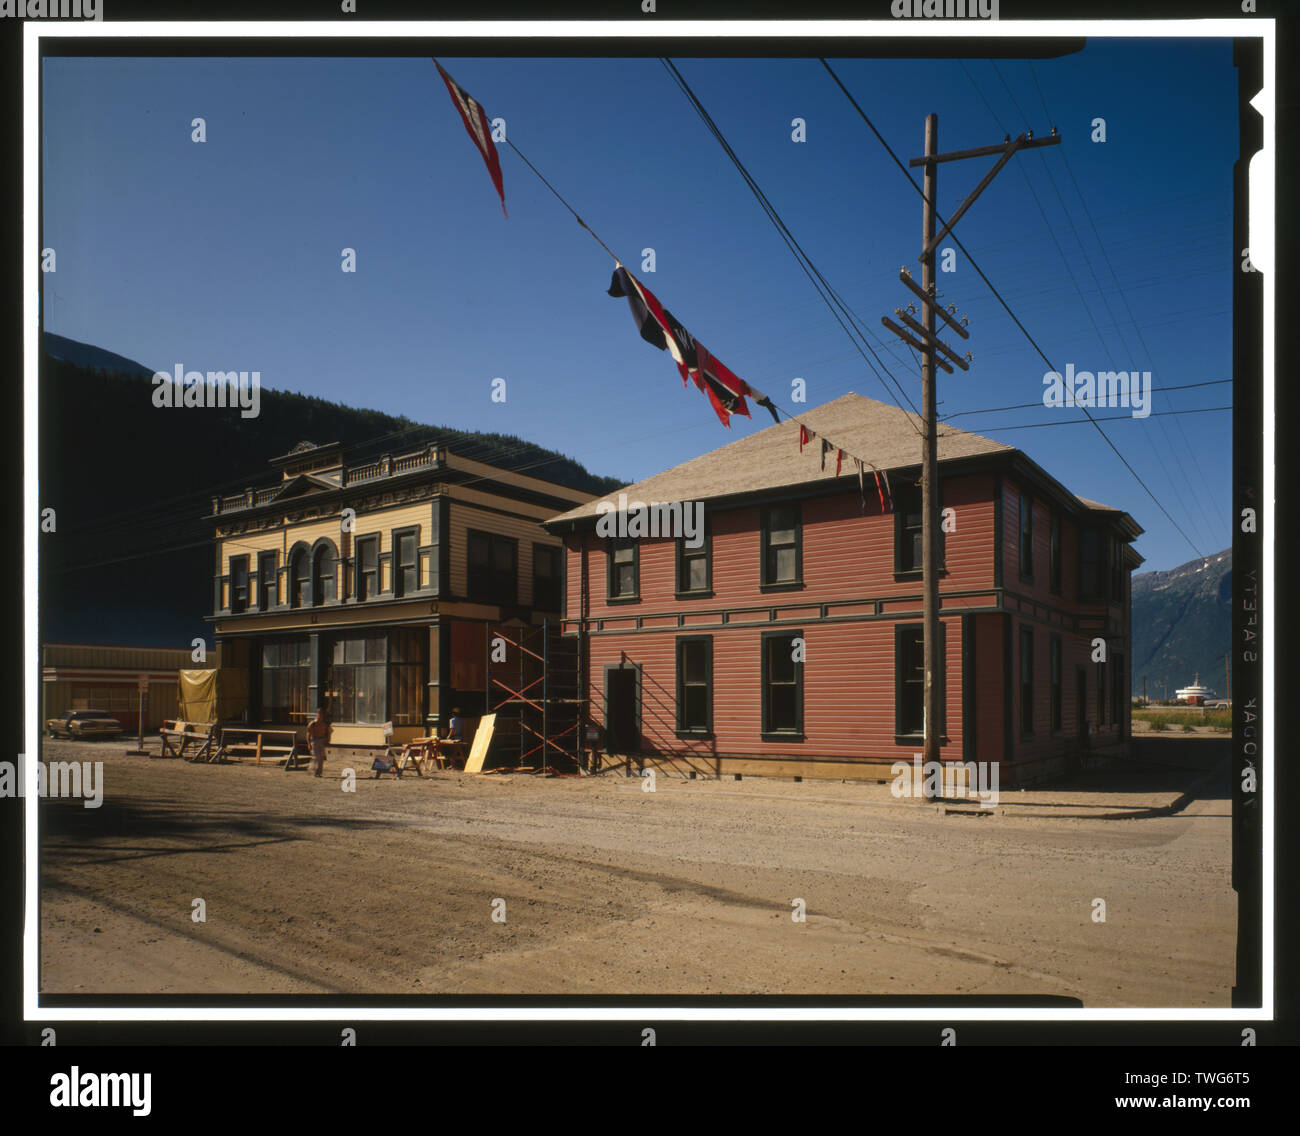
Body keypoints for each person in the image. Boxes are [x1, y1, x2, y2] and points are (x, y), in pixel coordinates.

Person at [306, 706, 330, 778]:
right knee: (316, 756)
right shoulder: (313, 724)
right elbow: (308, 734)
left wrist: (328, 740)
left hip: (322, 740)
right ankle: (312, 770)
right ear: (317, 714)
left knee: (321, 757)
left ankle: (319, 772)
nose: (321, 715)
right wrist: (309, 744)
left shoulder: (325, 724)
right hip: (314, 740)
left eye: (322, 714)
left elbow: (328, 733)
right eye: (319, 714)